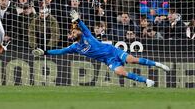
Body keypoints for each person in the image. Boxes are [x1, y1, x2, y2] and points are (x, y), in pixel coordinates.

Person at [32, 10, 170, 87]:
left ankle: (158, 64)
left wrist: (78, 20)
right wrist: (45, 52)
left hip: (113, 50)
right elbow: (60, 51)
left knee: (132, 60)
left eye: (74, 31)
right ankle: (147, 81)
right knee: (121, 73)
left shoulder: (86, 35)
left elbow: (84, 27)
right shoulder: (75, 47)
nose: (73, 34)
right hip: (108, 59)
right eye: (71, 33)